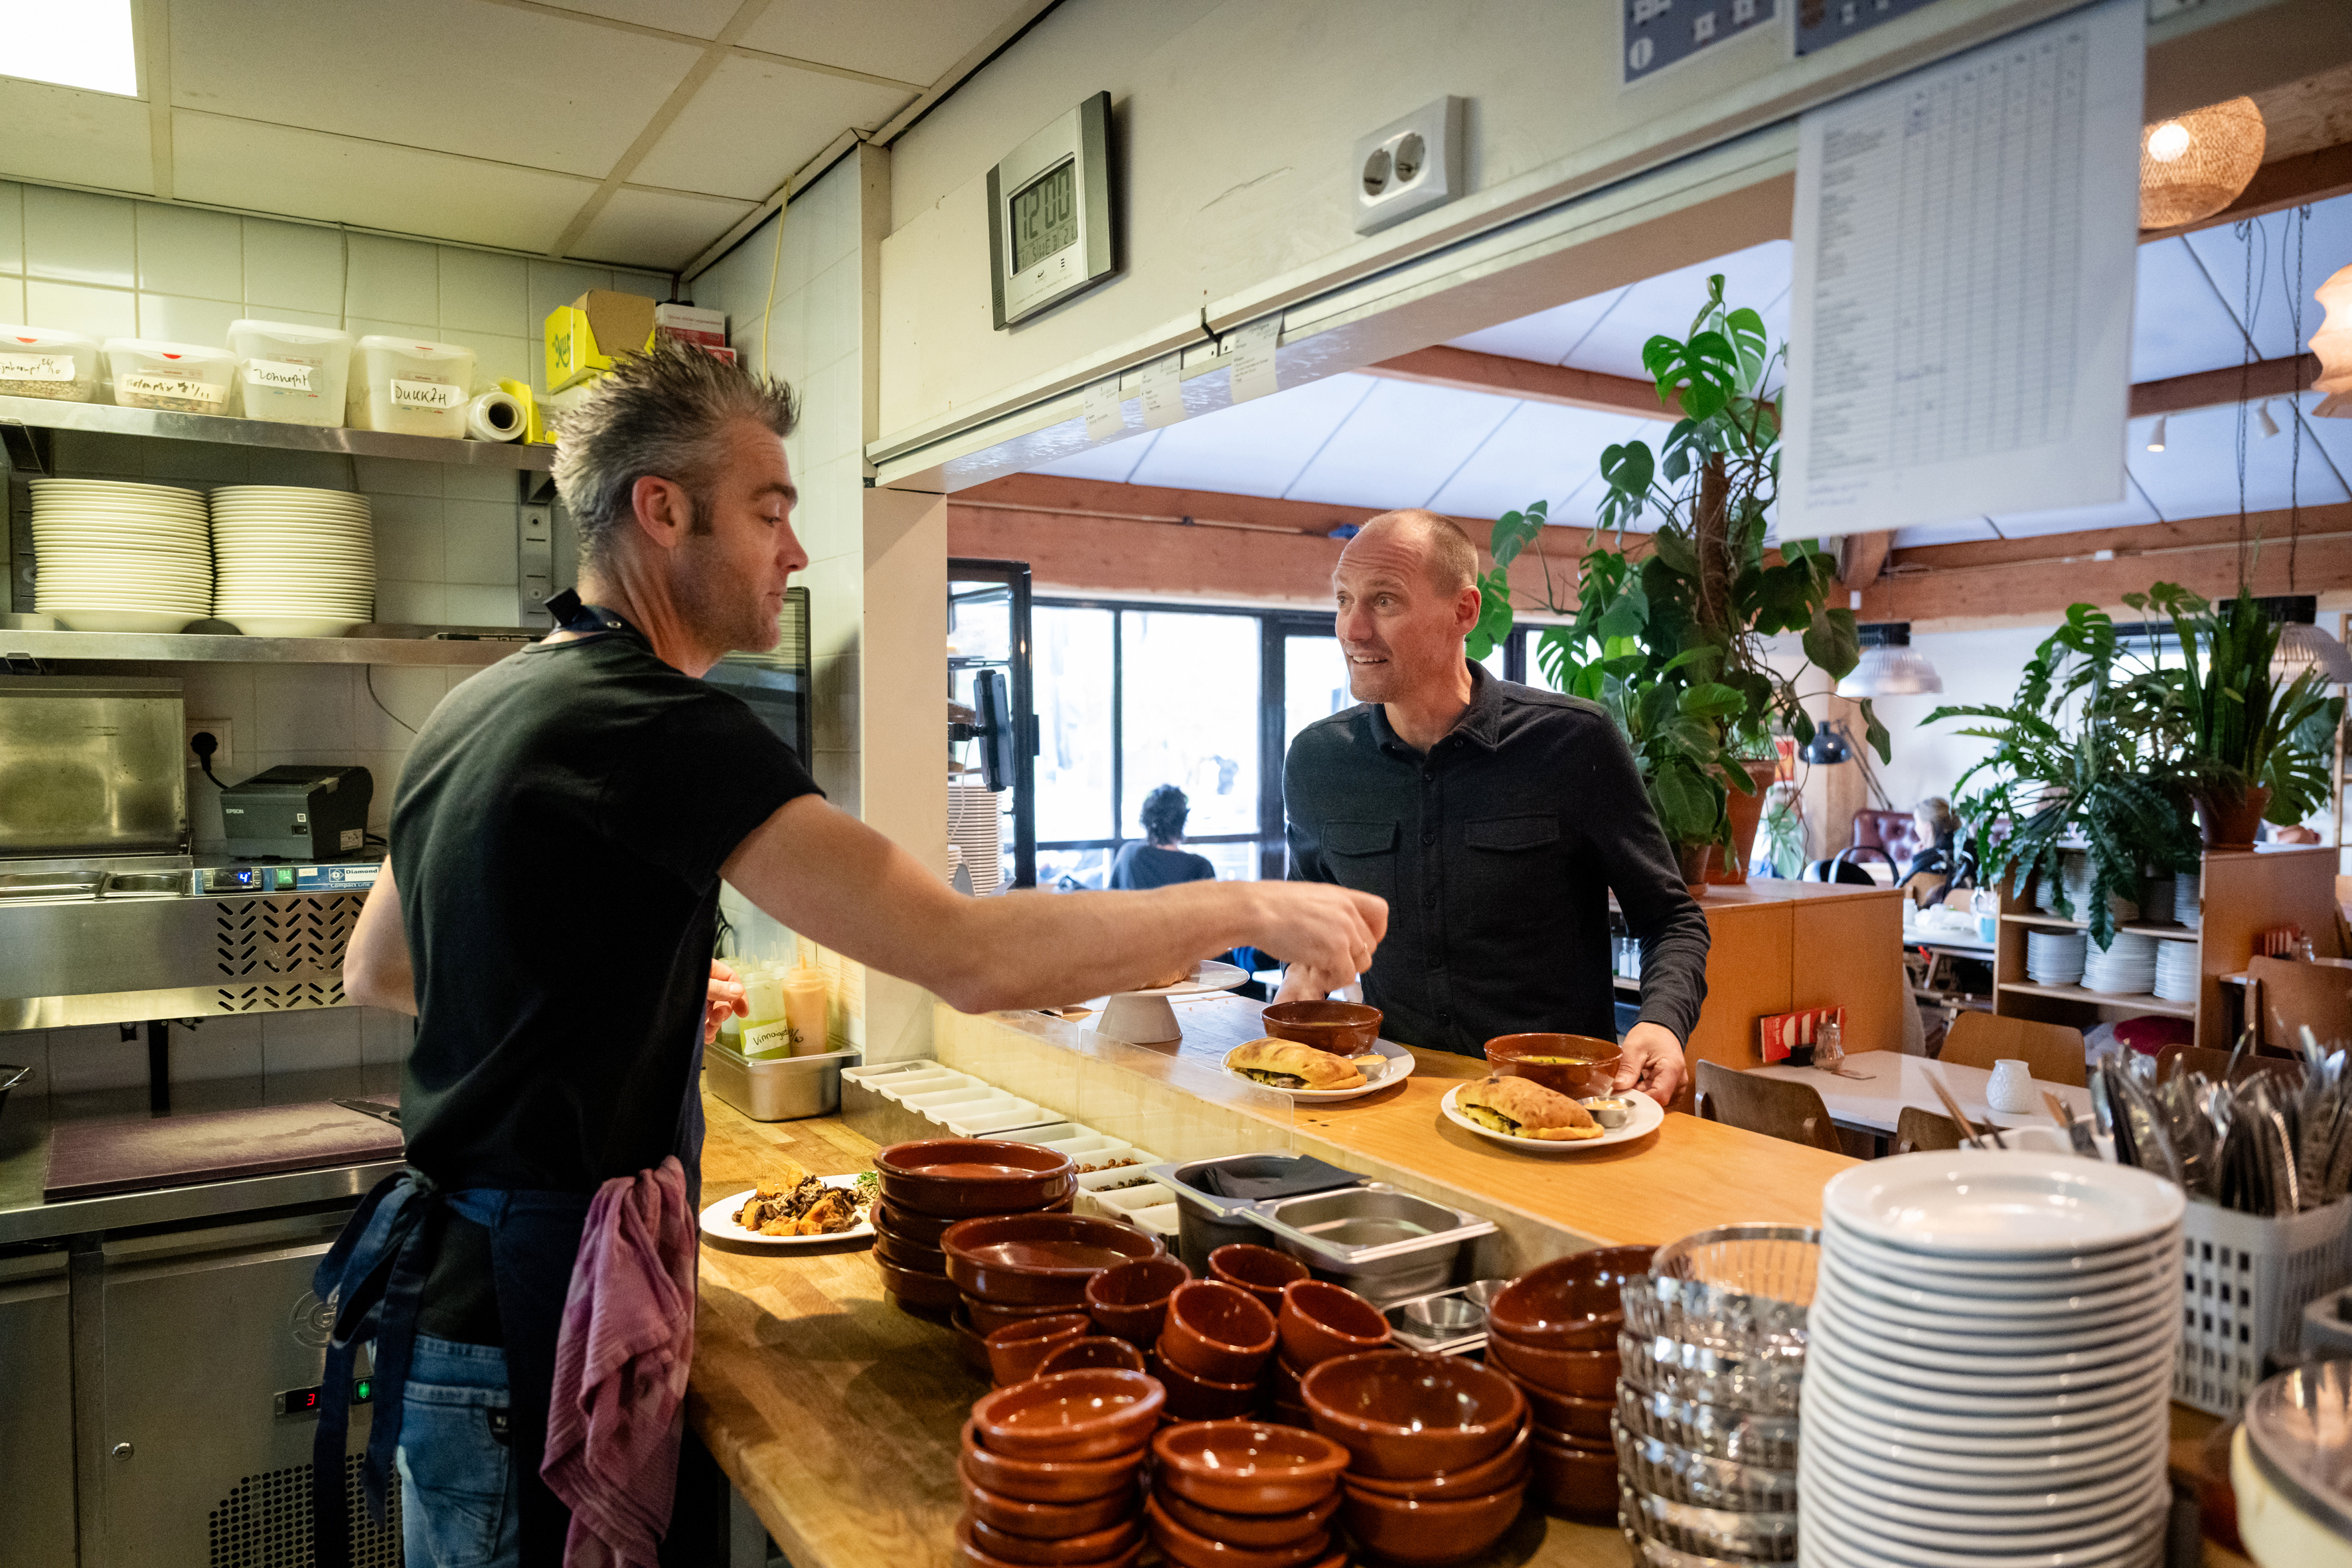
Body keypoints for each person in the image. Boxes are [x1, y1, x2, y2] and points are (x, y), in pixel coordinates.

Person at [327, 343, 1387, 1568]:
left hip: (453, 1302)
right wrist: (1240, 903)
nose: (796, 550)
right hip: (535, 1316)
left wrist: (611, 997)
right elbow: (969, 954)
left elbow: (384, 967)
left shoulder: (484, 700)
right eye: (770, 510)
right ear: (661, 511)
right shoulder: (662, 728)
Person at [1279, 509, 1711, 1106]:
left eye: (1384, 602)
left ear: (1464, 612)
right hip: (1397, 1100)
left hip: (1562, 1104)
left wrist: (1660, 1022)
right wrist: (1302, 983)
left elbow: (1670, 919)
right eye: (1343, 600)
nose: (1351, 630)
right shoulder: (1317, 761)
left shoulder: (1573, 741)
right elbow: (1312, 929)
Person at [1109, 785, 1216, 890]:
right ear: (1182, 821)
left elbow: (1111, 899)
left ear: (1146, 821)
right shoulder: (1200, 867)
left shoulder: (1128, 854)